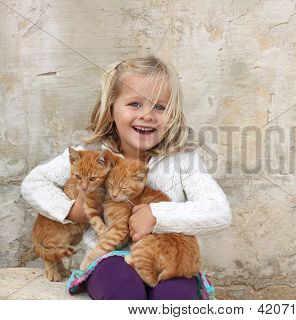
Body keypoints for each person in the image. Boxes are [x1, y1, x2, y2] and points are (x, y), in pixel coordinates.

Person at [21, 54, 232, 300]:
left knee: (176, 296)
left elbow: (219, 211)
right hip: (110, 258)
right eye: (135, 104)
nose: (148, 115)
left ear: (173, 115)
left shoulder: (183, 161)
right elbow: (34, 183)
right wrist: (71, 211)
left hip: (167, 259)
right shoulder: (91, 155)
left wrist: (157, 216)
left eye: (160, 107)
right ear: (110, 109)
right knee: (120, 290)